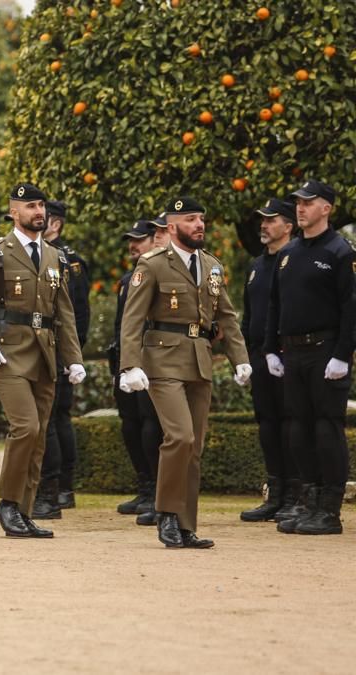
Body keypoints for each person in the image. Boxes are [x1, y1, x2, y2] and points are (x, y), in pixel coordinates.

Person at [118, 196, 249, 548]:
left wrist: (239, 357)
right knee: (180, 437)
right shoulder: (153, 264)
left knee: (195, 447)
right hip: (162, 359)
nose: (200, 224)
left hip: (199, 359)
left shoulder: (212, 265)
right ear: (172, 227)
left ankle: (186, 525)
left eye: (201, 218)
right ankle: (166, 514)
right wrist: (130, 365)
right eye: (191, 219)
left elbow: (226, 316)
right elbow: (132, 319)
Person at [0, 183, 86, 539]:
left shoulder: (54, 256)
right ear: (14, 212)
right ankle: (8, 504)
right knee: (26, 427)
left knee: (39, 435)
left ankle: (24, 511)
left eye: (41, 205)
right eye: (30, 206)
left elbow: (64, 312)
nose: (39, 211)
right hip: (7, 354)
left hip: (45, 354)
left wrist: (73, 357)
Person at [265, 180, 355, 536]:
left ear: (326, 208)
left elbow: (351, 307)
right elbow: (275, 304)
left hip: (325, 350)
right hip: (293, 351)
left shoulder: (340, 251)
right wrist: (271, 348)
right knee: (298, 429)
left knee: (326, 427)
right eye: (298, 203)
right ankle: (309, 501)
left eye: (308, 202)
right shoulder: (289, 253)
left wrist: (342, 354)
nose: (300, 208)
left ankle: (329, 510)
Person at [239, 197, 298, 522]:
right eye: (263, 219)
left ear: (288, 225)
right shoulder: (256, 266)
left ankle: (295, 495)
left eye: (271, 219)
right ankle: (275, 494)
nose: (263, 225)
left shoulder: (296, 259)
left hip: (290, 354)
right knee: (267, 424)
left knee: (292, 424)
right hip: (261, 356)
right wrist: (245, 356)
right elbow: (249, 315)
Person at [34, 199, 91, 517]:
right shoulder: (37, 256)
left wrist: (73, 356)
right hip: (40, 348)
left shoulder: (69, 261)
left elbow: (77, 314)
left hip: (59, 350)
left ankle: (60, 487)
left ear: (55, 224)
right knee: (47, 419)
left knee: (56, 418)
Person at [110, 219, 165, 524]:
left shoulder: (158, 274)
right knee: (130, 424)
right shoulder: (127, 280)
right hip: (126, 361)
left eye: (139, 239)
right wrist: (120, 364)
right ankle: (145, 486)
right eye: (131, 240)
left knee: (151, 424)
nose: (133, 245)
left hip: (151, 359)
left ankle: (159, 490)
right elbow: (122, 326)